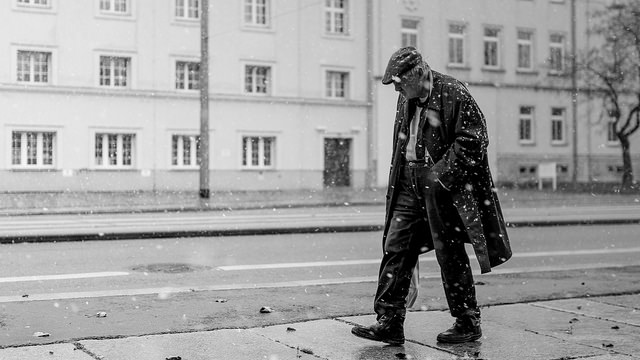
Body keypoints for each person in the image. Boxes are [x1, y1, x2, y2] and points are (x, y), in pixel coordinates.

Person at [351, 46, 512, 345]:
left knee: (449, 251)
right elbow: (405, 143)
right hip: (410, 184)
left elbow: (475, 140)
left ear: (419, 74)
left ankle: (467, 320)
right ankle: (389, 320)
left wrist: (439, 176)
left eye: (400, 82)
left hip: (442, 186)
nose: (397, 89)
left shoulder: (452, 92)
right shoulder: (408, 96)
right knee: (396, 247)